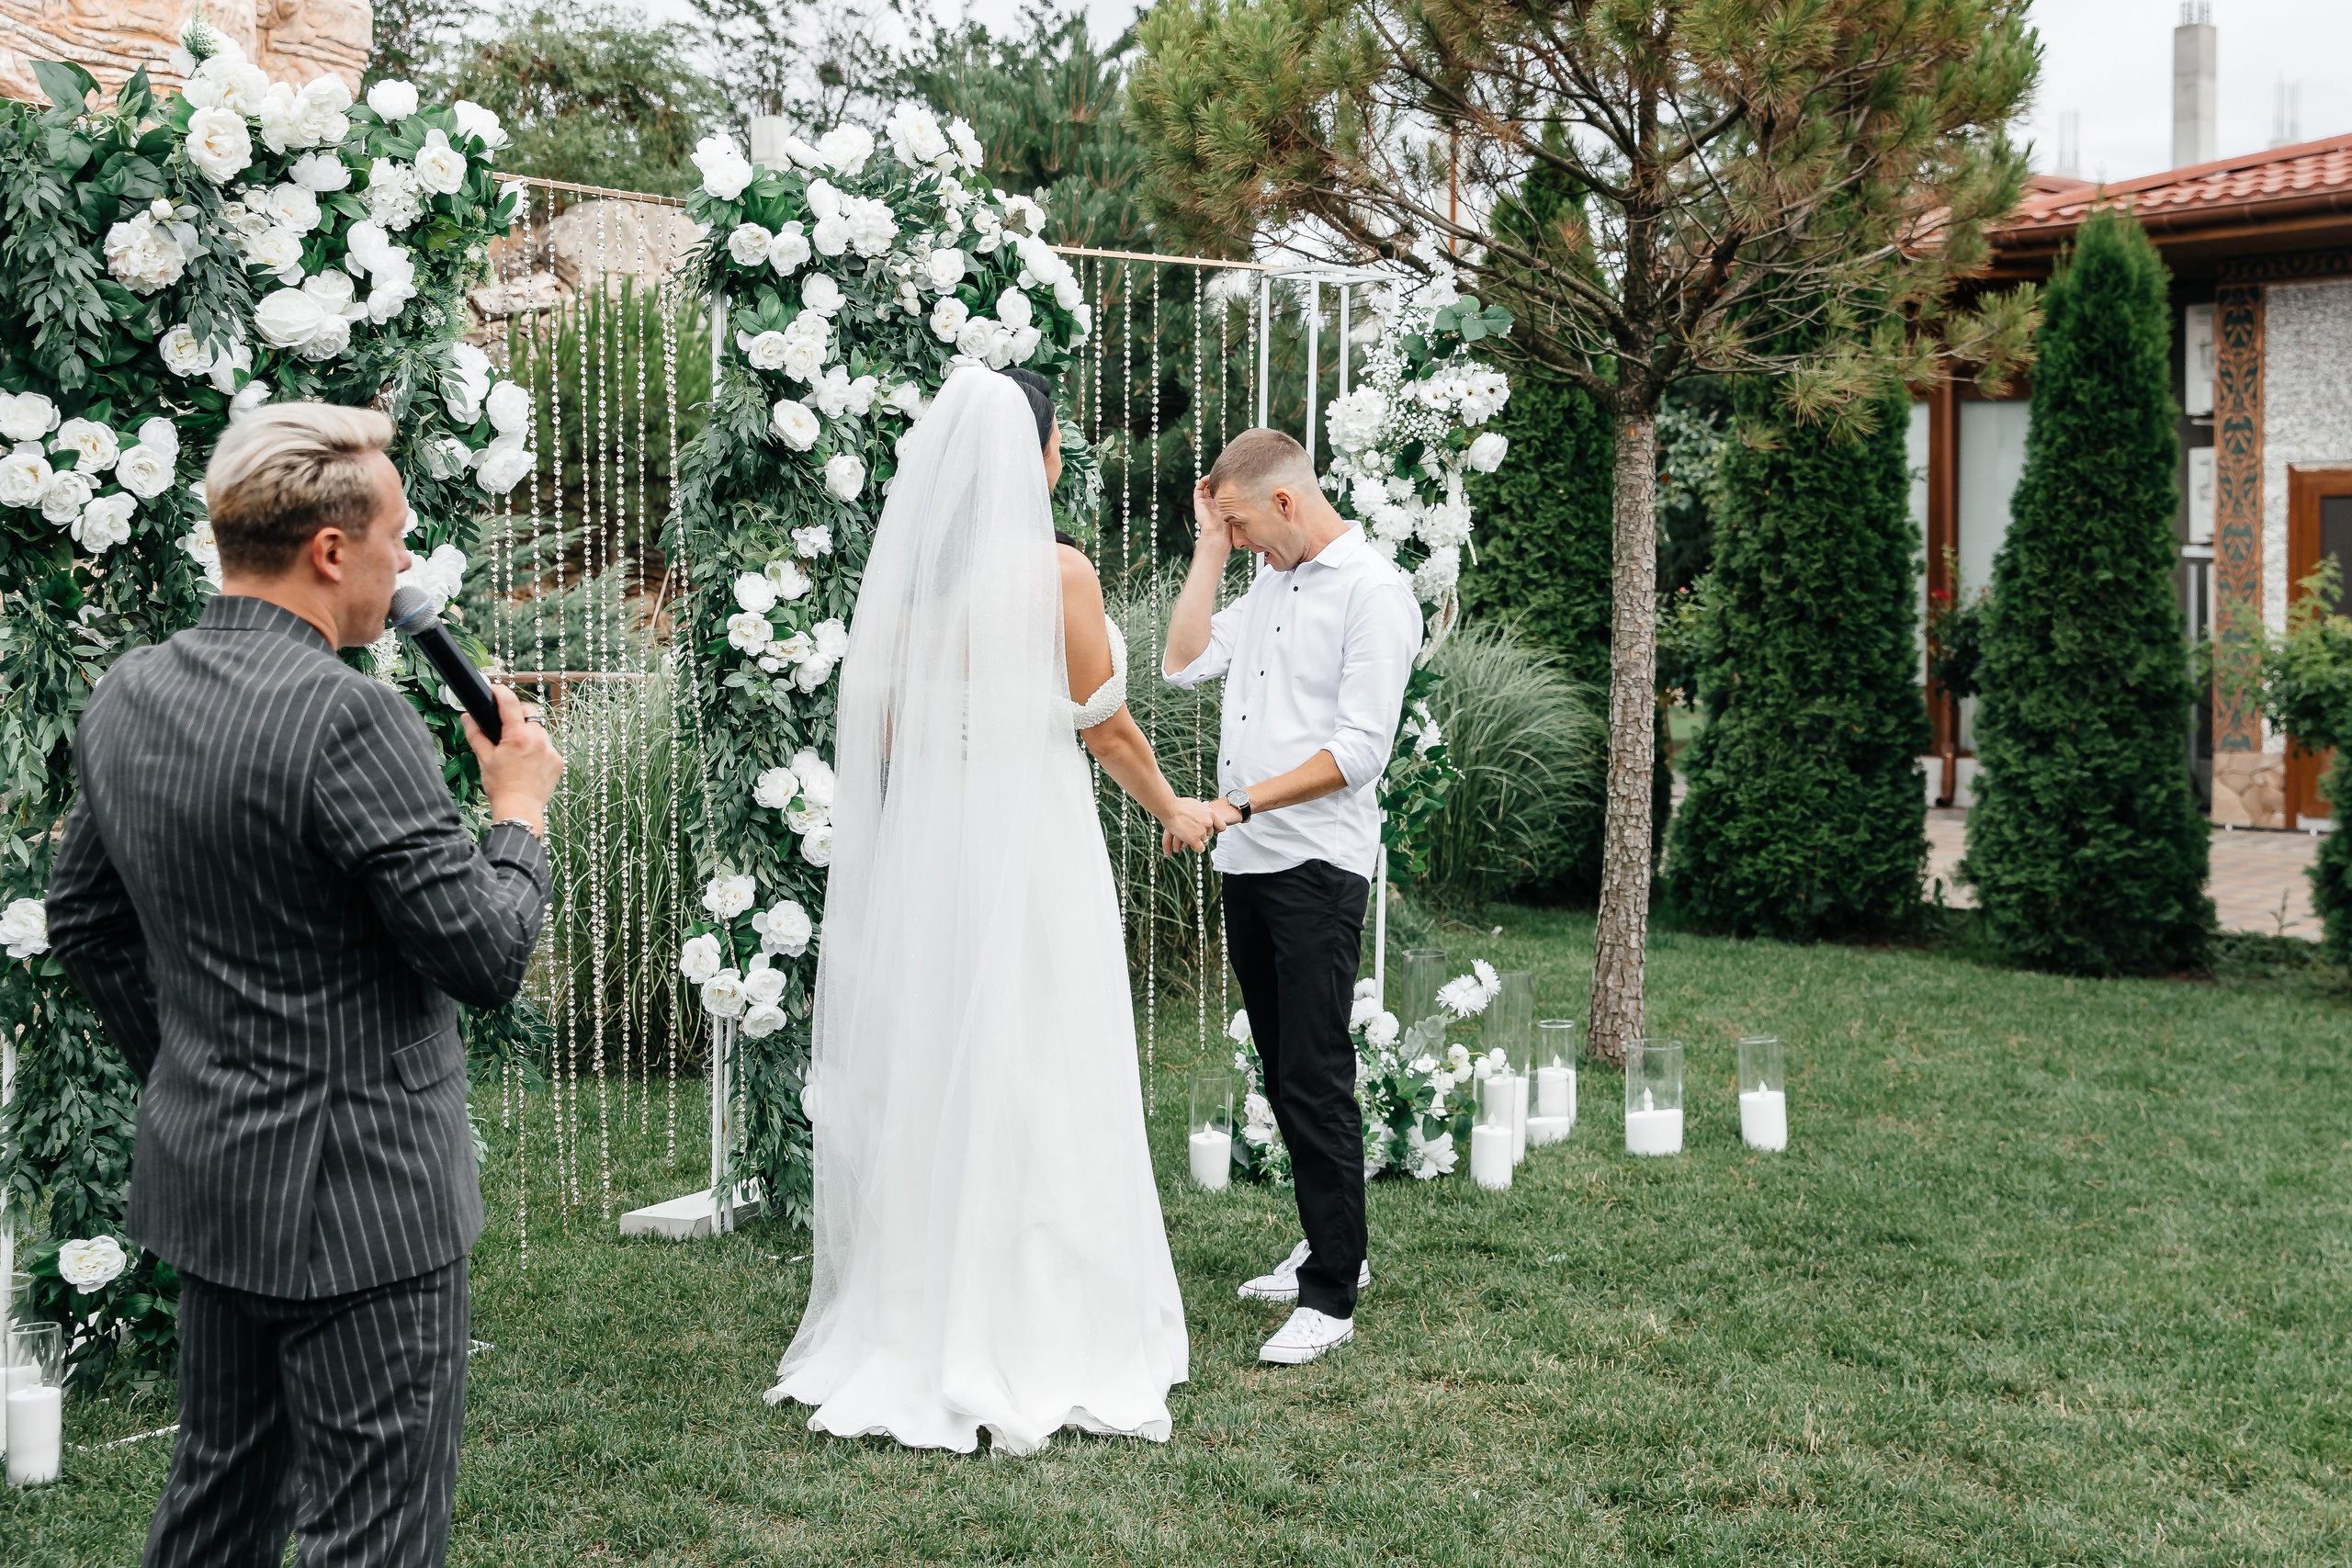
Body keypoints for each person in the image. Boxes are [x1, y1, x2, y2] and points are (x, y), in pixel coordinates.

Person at [45, 404, 565, 1568]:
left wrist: (202, 1071)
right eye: (397, 536)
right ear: (331, 550)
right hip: (367, 1208)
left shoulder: (128, 690)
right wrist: (518, 814)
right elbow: (484, 956)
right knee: (368, 1538)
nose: (405, 564)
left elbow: (81, 923)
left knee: (216, 1511)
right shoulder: (351, 717)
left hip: (214, 1175)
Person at [767, 366, 1216, 1453]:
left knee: (944, 1062)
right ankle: (1037, 1319)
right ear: (1042, 455)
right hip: (1030, 849)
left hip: (937, 857)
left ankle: (918, 1315)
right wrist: (1177, 809)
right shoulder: (1055, 572)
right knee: (1042, 1058)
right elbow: (1103, 726)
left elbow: (880, 744)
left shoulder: (914, 585)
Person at [1163, 427, 1422, 1366]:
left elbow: (1359, 752)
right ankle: (1326, 1243)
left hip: (1316, 864)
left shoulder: (1373, 593)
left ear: (1284, 502)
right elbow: (1182, 662)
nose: (1232, 542)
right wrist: (1205, 543)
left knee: (1314, 1071)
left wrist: (1236, 803)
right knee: (1281, 1070)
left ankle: (1332, 1294)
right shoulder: (1267, 583)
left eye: (1236, 523)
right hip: (1250, 864)